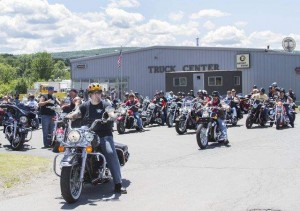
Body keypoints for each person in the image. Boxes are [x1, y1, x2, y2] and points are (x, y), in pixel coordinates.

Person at [66, 83, 127, 194]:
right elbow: (77, 112)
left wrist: (113, 116)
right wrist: (69, 115)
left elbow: (111, 112)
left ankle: (118, 184)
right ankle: (72, 173)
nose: (97, 95)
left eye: (99, 92)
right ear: (90, 95)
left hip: (104, 134)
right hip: (87, 134)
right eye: (95, 93)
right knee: (72, 146)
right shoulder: (85, 105)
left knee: (110, 152)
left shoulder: (105, 104)